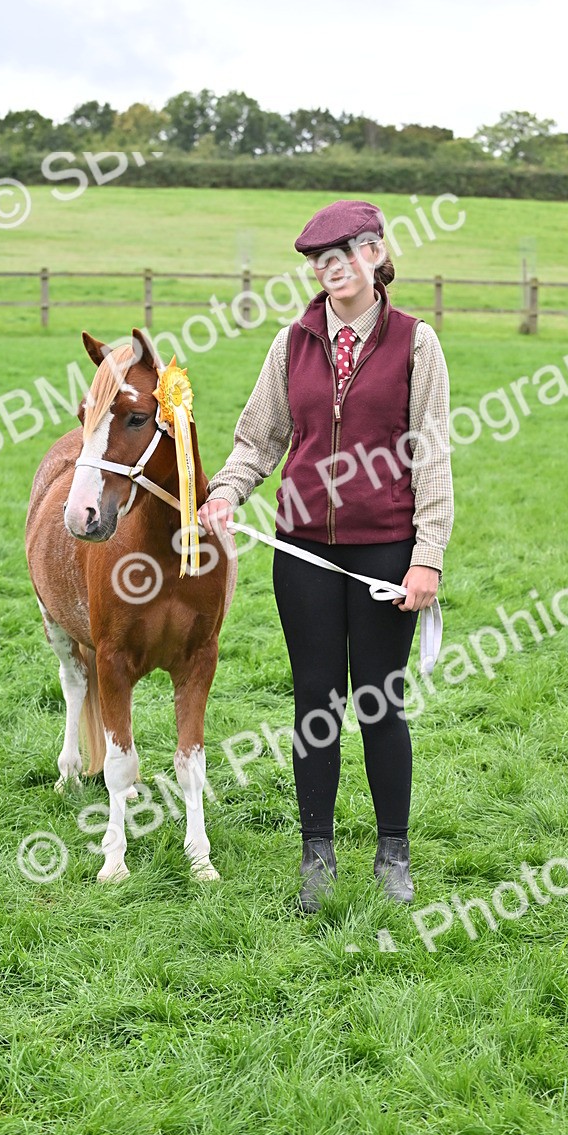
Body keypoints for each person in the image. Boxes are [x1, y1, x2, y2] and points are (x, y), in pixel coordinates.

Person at [198, 199, 454, 912]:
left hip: (385, 554)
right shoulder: (293, 343)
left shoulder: (415, 343)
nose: (328, 269)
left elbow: (432, 453)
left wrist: (426, 556)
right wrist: (226, 493)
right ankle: (317, 856)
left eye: (342, 254)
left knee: (379, 701)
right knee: (316, 699)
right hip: (303, 552)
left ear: (375, 256)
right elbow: (258, 439)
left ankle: (393, 854)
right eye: (318, 260)